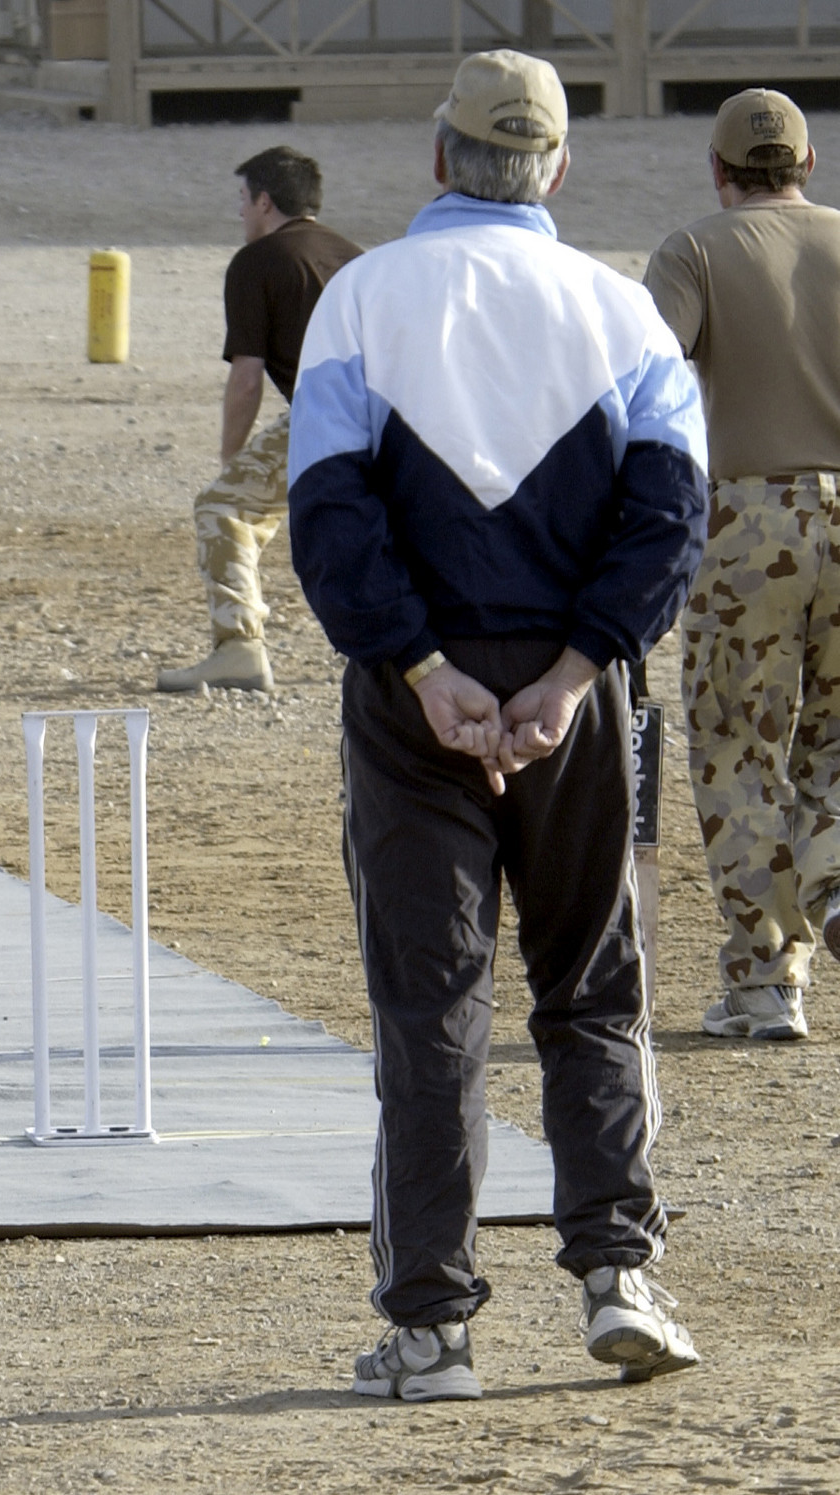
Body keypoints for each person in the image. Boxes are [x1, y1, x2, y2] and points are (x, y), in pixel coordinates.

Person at [288, 51, 708, 1400]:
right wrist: (577, 671)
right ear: (557, 169)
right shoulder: (621, 312)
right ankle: (615, 1274)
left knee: (429, 1004)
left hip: (413, 700)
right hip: (573, 698)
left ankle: (428, 1327)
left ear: (435, 158)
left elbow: (327, 516)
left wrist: (420, 668)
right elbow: (666, 515)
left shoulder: (357, 299)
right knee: (590, 985)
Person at [645, 89, 840, 1043]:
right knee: (837, 735)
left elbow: (647, 376)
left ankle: (766, 982)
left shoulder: (693, 249)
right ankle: (836, 880)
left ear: (718, 172)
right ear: (806, 165)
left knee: (737, 744)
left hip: (749, 516)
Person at [156, 146, 360, 694]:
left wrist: (232, 461)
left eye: (243, 201)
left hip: (331, 415)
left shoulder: (258, 261)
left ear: (265, 202)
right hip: (403, 417)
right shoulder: (355, 256)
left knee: (223, 505)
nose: (240, 214)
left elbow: (246, 377)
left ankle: (239, 647)